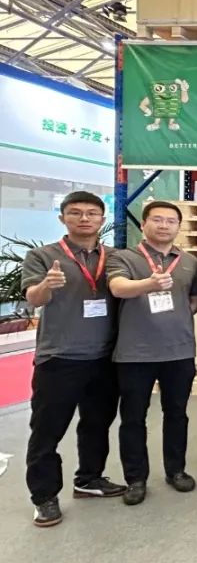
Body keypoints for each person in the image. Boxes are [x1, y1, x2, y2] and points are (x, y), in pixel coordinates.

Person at [22, 191, 122, 527]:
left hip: (105, 357)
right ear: (62, 218)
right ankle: (44, 496)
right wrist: (47, 286)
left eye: (92, 213)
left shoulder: (114, 257)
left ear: (102, 219)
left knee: (97, 423)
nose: (84, 218)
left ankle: (89, 479)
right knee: (47, 430)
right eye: (76, 212)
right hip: (59, 358)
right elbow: (34, 298)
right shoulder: (43, 256)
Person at [107, 201, 197, 506]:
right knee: (133, 418)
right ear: (144, 224)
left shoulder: (189, 261)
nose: (164, 226)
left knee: (177, 414)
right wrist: (148, 284)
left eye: (170, 221)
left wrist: (174, 319)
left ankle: (176, 470)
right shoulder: (123, 257)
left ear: (178, 226)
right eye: (157, 220)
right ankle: (136, 479)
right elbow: (118, 288)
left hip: (178, 351)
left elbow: (195, 299)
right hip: (136, 352)